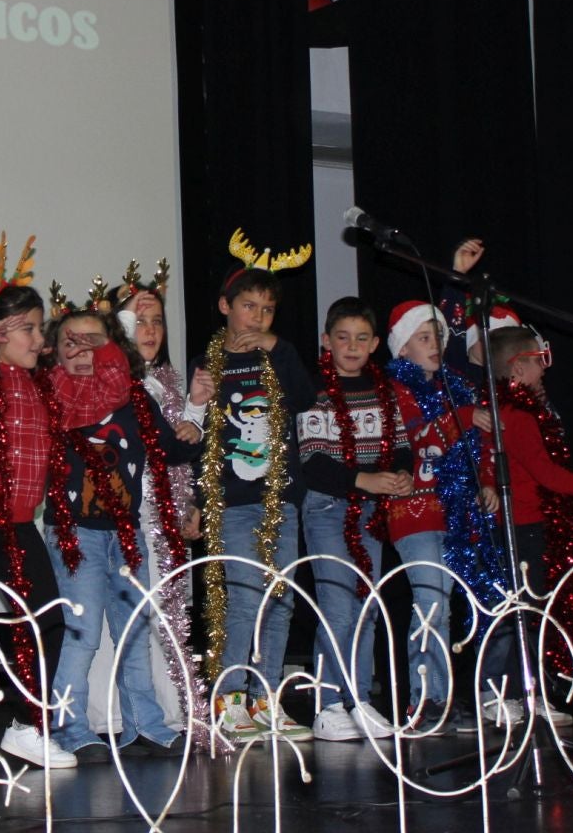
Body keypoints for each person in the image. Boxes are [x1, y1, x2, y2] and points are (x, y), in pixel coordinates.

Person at [0, 235, 130, 778]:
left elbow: (109, 392)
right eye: (30, 328)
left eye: (41, 328)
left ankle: (26, 727)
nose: (41, 339)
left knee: (44, 619)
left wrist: (98, 341)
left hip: (16, 523)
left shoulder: (50, 386)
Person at [42, 286, 201, 763]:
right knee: (82, 632)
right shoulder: (53, 396)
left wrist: (193, 425)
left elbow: (171, 448)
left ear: (115, 346)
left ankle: (145, 725)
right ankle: (69, 729)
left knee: (134, 632)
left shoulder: (135, 399)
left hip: (127, 534)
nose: (85, 349)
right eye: (73, 340)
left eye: (97, 340)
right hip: (77, 533)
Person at [190, 231, 316, 743]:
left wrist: (277, 347)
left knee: (280, 599)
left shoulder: (278, 357)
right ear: (225, 307)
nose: (257, 317)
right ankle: (231, 699)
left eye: (266, 309)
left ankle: (266, 700)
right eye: (248, 306)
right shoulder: (209, 365)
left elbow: (306, 398)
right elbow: (197, 439)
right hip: (234, 504)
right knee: (244, 600)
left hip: (278, 500)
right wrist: (197, 502)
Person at [380, 300, 503, 731]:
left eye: (438, 337)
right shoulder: (395, 389)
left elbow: (480, 446)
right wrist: (465, 417)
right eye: (423, 338)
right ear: (402, 348)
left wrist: (485, 482)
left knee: (447, 604)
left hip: (454, 512)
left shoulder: (456, 388)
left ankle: (443, 696)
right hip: (412, 511)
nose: (434, 345)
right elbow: (418, 438)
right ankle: (426, 700)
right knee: (430, 600)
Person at [296, 296, 411, 742]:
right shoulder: (315, 390)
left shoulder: (382, 391)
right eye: (342, 337)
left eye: (362, 338)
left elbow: (400, 445)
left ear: (376, 344)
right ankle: (327, 704)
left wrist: (399, 475)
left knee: (366, 608)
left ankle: (358, 697)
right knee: (339, 609)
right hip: (328, 508)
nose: (352, 346)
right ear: (327, 341)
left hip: (370, 512)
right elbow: (314, 462)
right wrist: (369, 480)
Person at [478, 325, 573, 725]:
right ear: (517, 371)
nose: (545, 370)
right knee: (520, 611)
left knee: (524, 611)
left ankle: (525, 692)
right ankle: (507, 694)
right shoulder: (516, 418)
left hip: (519, 525)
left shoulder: (506, 414)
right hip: (520, 526)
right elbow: (544, 472)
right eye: (539, 361)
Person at [115, 260, 206, 738]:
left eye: (156, 321)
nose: (149, 331)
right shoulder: (120, 383)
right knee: (141, 609)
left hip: (167, 511)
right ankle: (131, 712)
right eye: (138, 321)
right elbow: (164, 447)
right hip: (136, 512)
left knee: (169, 609)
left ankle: (168, 708)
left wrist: (190, 504)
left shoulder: (166, 380)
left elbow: (180, 456)